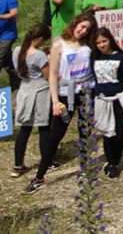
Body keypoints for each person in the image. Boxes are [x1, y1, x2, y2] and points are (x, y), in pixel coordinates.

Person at [26, 14, 97, 194]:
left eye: (87, 29)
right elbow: (52, 74)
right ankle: (39, 176)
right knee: (55, 135)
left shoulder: (88, 45)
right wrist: (55, 100)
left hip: (86, 91)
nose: (83, 31)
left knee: (85, 132)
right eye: (81, 26)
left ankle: (86, 168)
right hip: (66, 93)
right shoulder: (59, 44)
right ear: (75, 24)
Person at [92, 27, 123, 179]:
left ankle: (117, 157)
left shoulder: (121, 57)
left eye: (104, 41)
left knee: (119, 132)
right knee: (107, 132)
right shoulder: (94, 57)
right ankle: (111, 162)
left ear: (110, 40)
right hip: (102, 99)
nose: (102, 45)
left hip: (118, 99)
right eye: (98, 43)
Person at [11, 24, 51, 178]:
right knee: (44, 128)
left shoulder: (17, 50)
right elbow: (47, 76)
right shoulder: (39, 56)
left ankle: (18, 164)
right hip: (40, 91)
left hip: (24, 90)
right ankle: (47, 162)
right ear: (40, 39)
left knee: (24, 129)